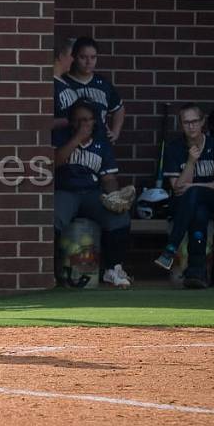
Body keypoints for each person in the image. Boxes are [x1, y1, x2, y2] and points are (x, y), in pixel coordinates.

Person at [53, 100, 133, 288]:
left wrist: (114, 195)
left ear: (95, 121)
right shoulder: (62, 137)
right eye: (79, 120)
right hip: (66, 190)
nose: (84, 124)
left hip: (91, 193)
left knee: (119, 217)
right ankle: (51, 270)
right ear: (71, 122)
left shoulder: (101, 144)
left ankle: (113, 269)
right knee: (54, 217)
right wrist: (76, 139)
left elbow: (109, 178)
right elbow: (54, 162)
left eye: (88, 120)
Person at [153, 104, 214, 288]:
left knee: (195, 195)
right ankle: (197, 272)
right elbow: (178, 189)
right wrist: (191, 162)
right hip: (185, 204)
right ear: (181, 125)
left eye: (195, 121)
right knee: (199, 213)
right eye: (186, 122)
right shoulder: (175, 148)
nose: (191, 126)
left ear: (202, 122)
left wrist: (195, 185)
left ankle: (171, 248)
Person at [64, 36, 124, 143]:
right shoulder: (63, 83)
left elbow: (118, 108)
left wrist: (115, 132)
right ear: (73, 57)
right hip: (70, 143)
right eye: (83, 57)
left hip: (100, 145)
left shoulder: (103, 84)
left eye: (93, 57)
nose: (88, 62)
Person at [53, 36, 78, 132]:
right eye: (72, 55)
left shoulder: (66, 82)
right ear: (60, 56)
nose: (74, 59)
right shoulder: (50, 85)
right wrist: (71, 121)